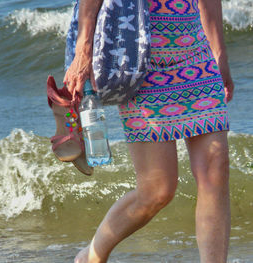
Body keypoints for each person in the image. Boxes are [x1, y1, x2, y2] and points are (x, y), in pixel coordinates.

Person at [63, 0, 235, 262]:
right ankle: (92, 255)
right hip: (138, 61)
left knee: (216, 168)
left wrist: (219, 53)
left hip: (197, 55)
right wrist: (83, 49)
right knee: (157, 191)